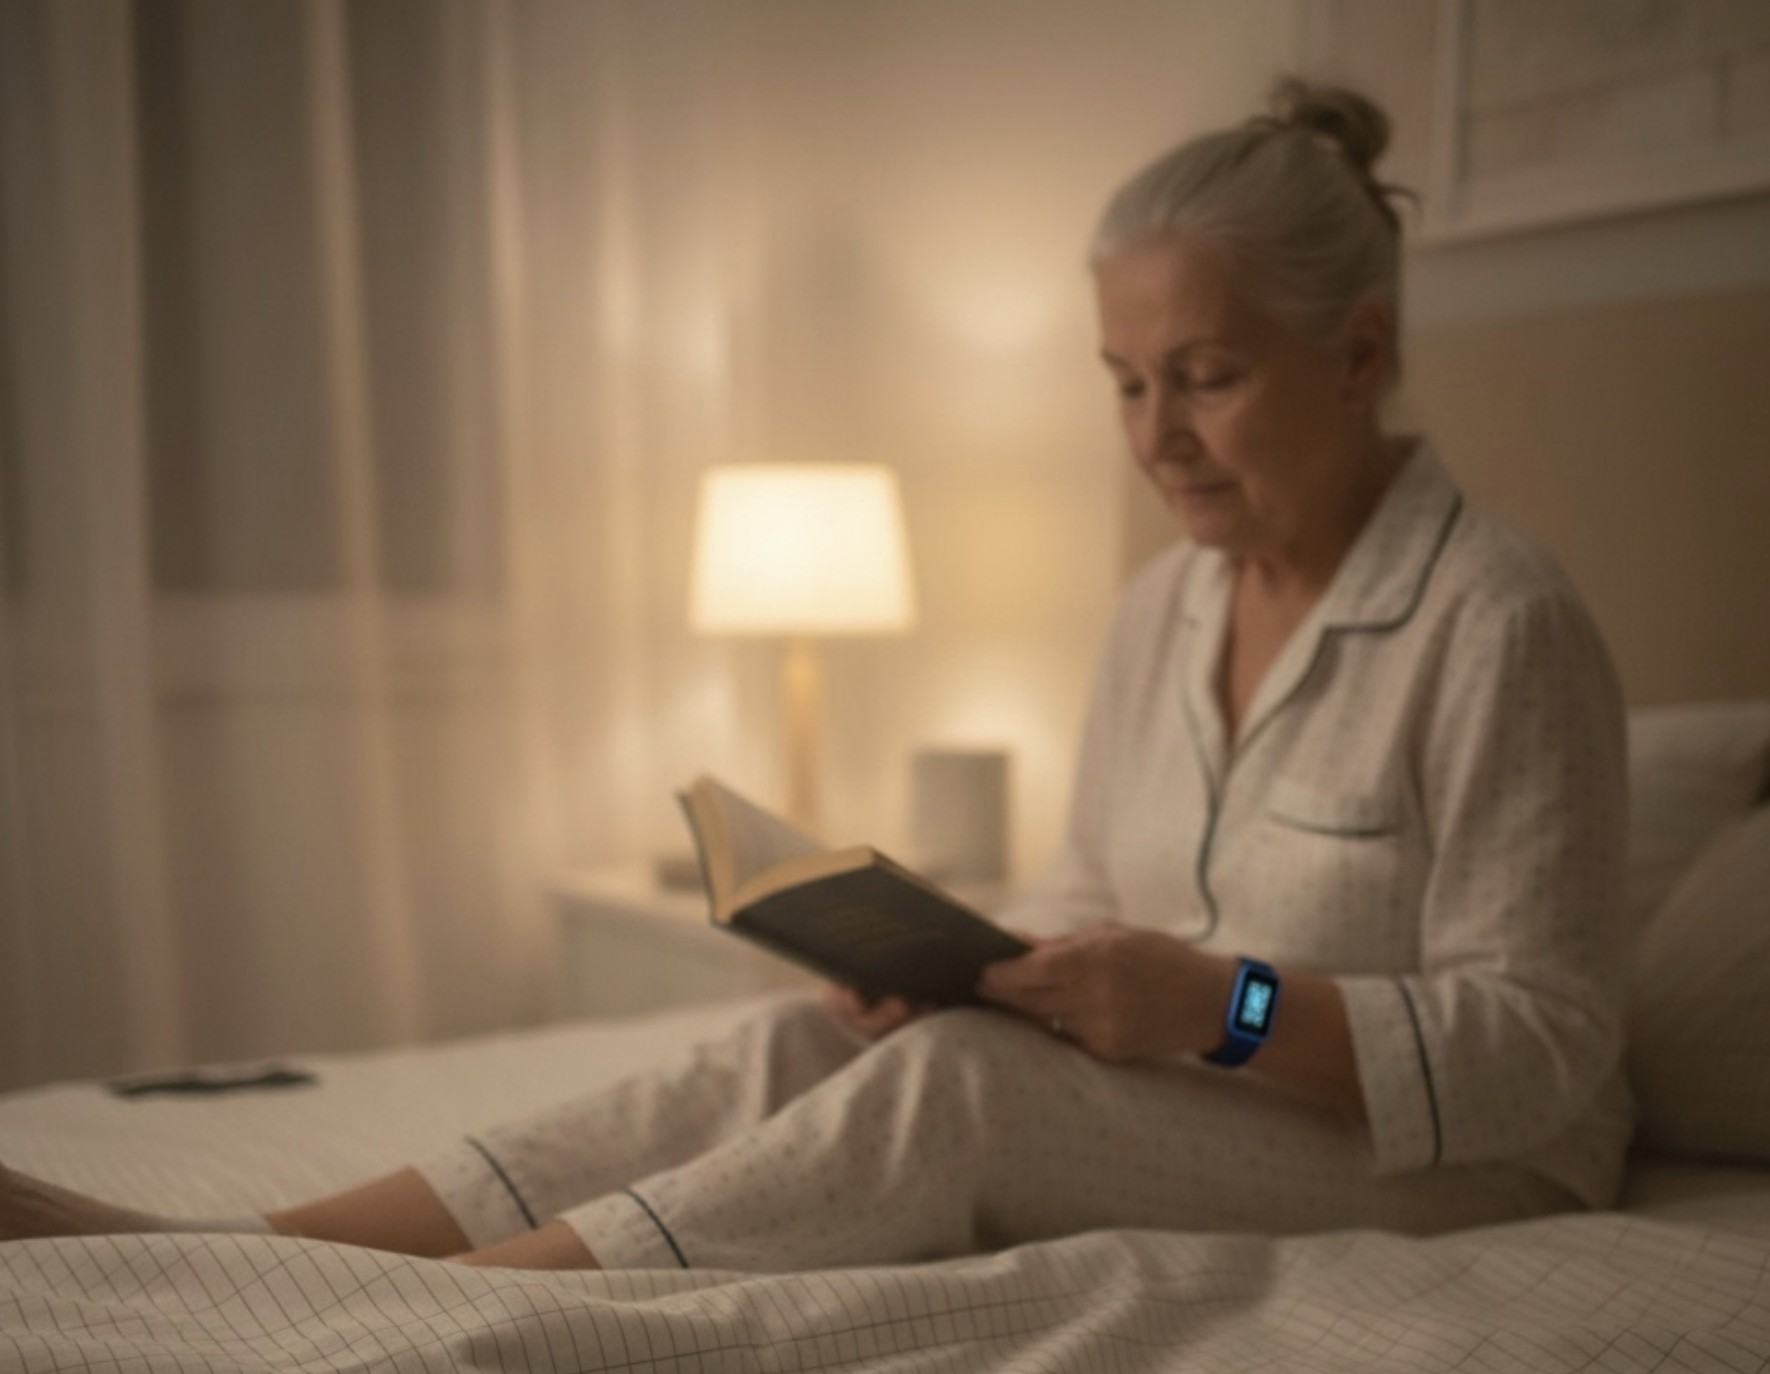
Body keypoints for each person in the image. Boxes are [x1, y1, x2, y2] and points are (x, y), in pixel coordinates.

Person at [0, 78, 1630, 1270]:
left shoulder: (1497, 620)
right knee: (794, 1045)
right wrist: (977, 965)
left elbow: (1547, 1042)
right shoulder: (1162, 609)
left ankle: (443, 1301)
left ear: (1357, 351)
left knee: (962, 1092)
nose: (1155, 439)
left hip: (1456, 1166)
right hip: (1207, 1088)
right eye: (1126, 383)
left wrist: (1224, 1005)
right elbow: (1091, 890)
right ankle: (262, 1249)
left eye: (1203, 377)